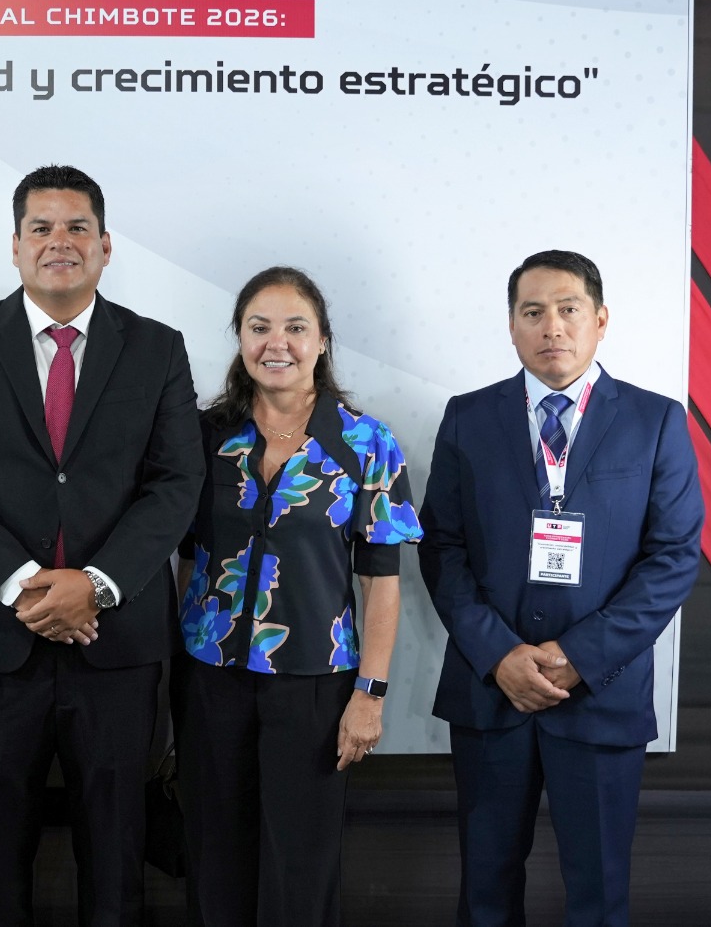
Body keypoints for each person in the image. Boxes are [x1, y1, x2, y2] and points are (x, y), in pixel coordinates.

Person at [0, 164, 204, 927]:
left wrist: (95, 583)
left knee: (116, 859)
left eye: (77, 228)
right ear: (15, 246)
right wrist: (24, 583)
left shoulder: (157, 348)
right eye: (41, 227)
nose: (59, 241)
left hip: (117, 646)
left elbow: (176, 483)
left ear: (106, 246)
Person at [419, 249, 704, 927]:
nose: (552, 326)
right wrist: (500, 655)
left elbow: (672, 558)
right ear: (512, 326)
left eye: (569, 308)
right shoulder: (468, 417)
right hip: (493, 692)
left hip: (601, 694)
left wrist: (579, 656)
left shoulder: (656, 421)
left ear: (600, 320)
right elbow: (442, 546)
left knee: (598, 895)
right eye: (533, 312)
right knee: (485, 893)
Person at [173, 266, 422, 926]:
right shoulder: (205, 436)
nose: (275, 342)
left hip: (314, 683)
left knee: (300, 867)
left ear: (322, 340)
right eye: (259, 327)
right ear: (240, 337)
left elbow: (380, 581)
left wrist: (370, 696)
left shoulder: (366, 442)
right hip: (210, 678)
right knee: (213, 856)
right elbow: (186, 557)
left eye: (295, 327)